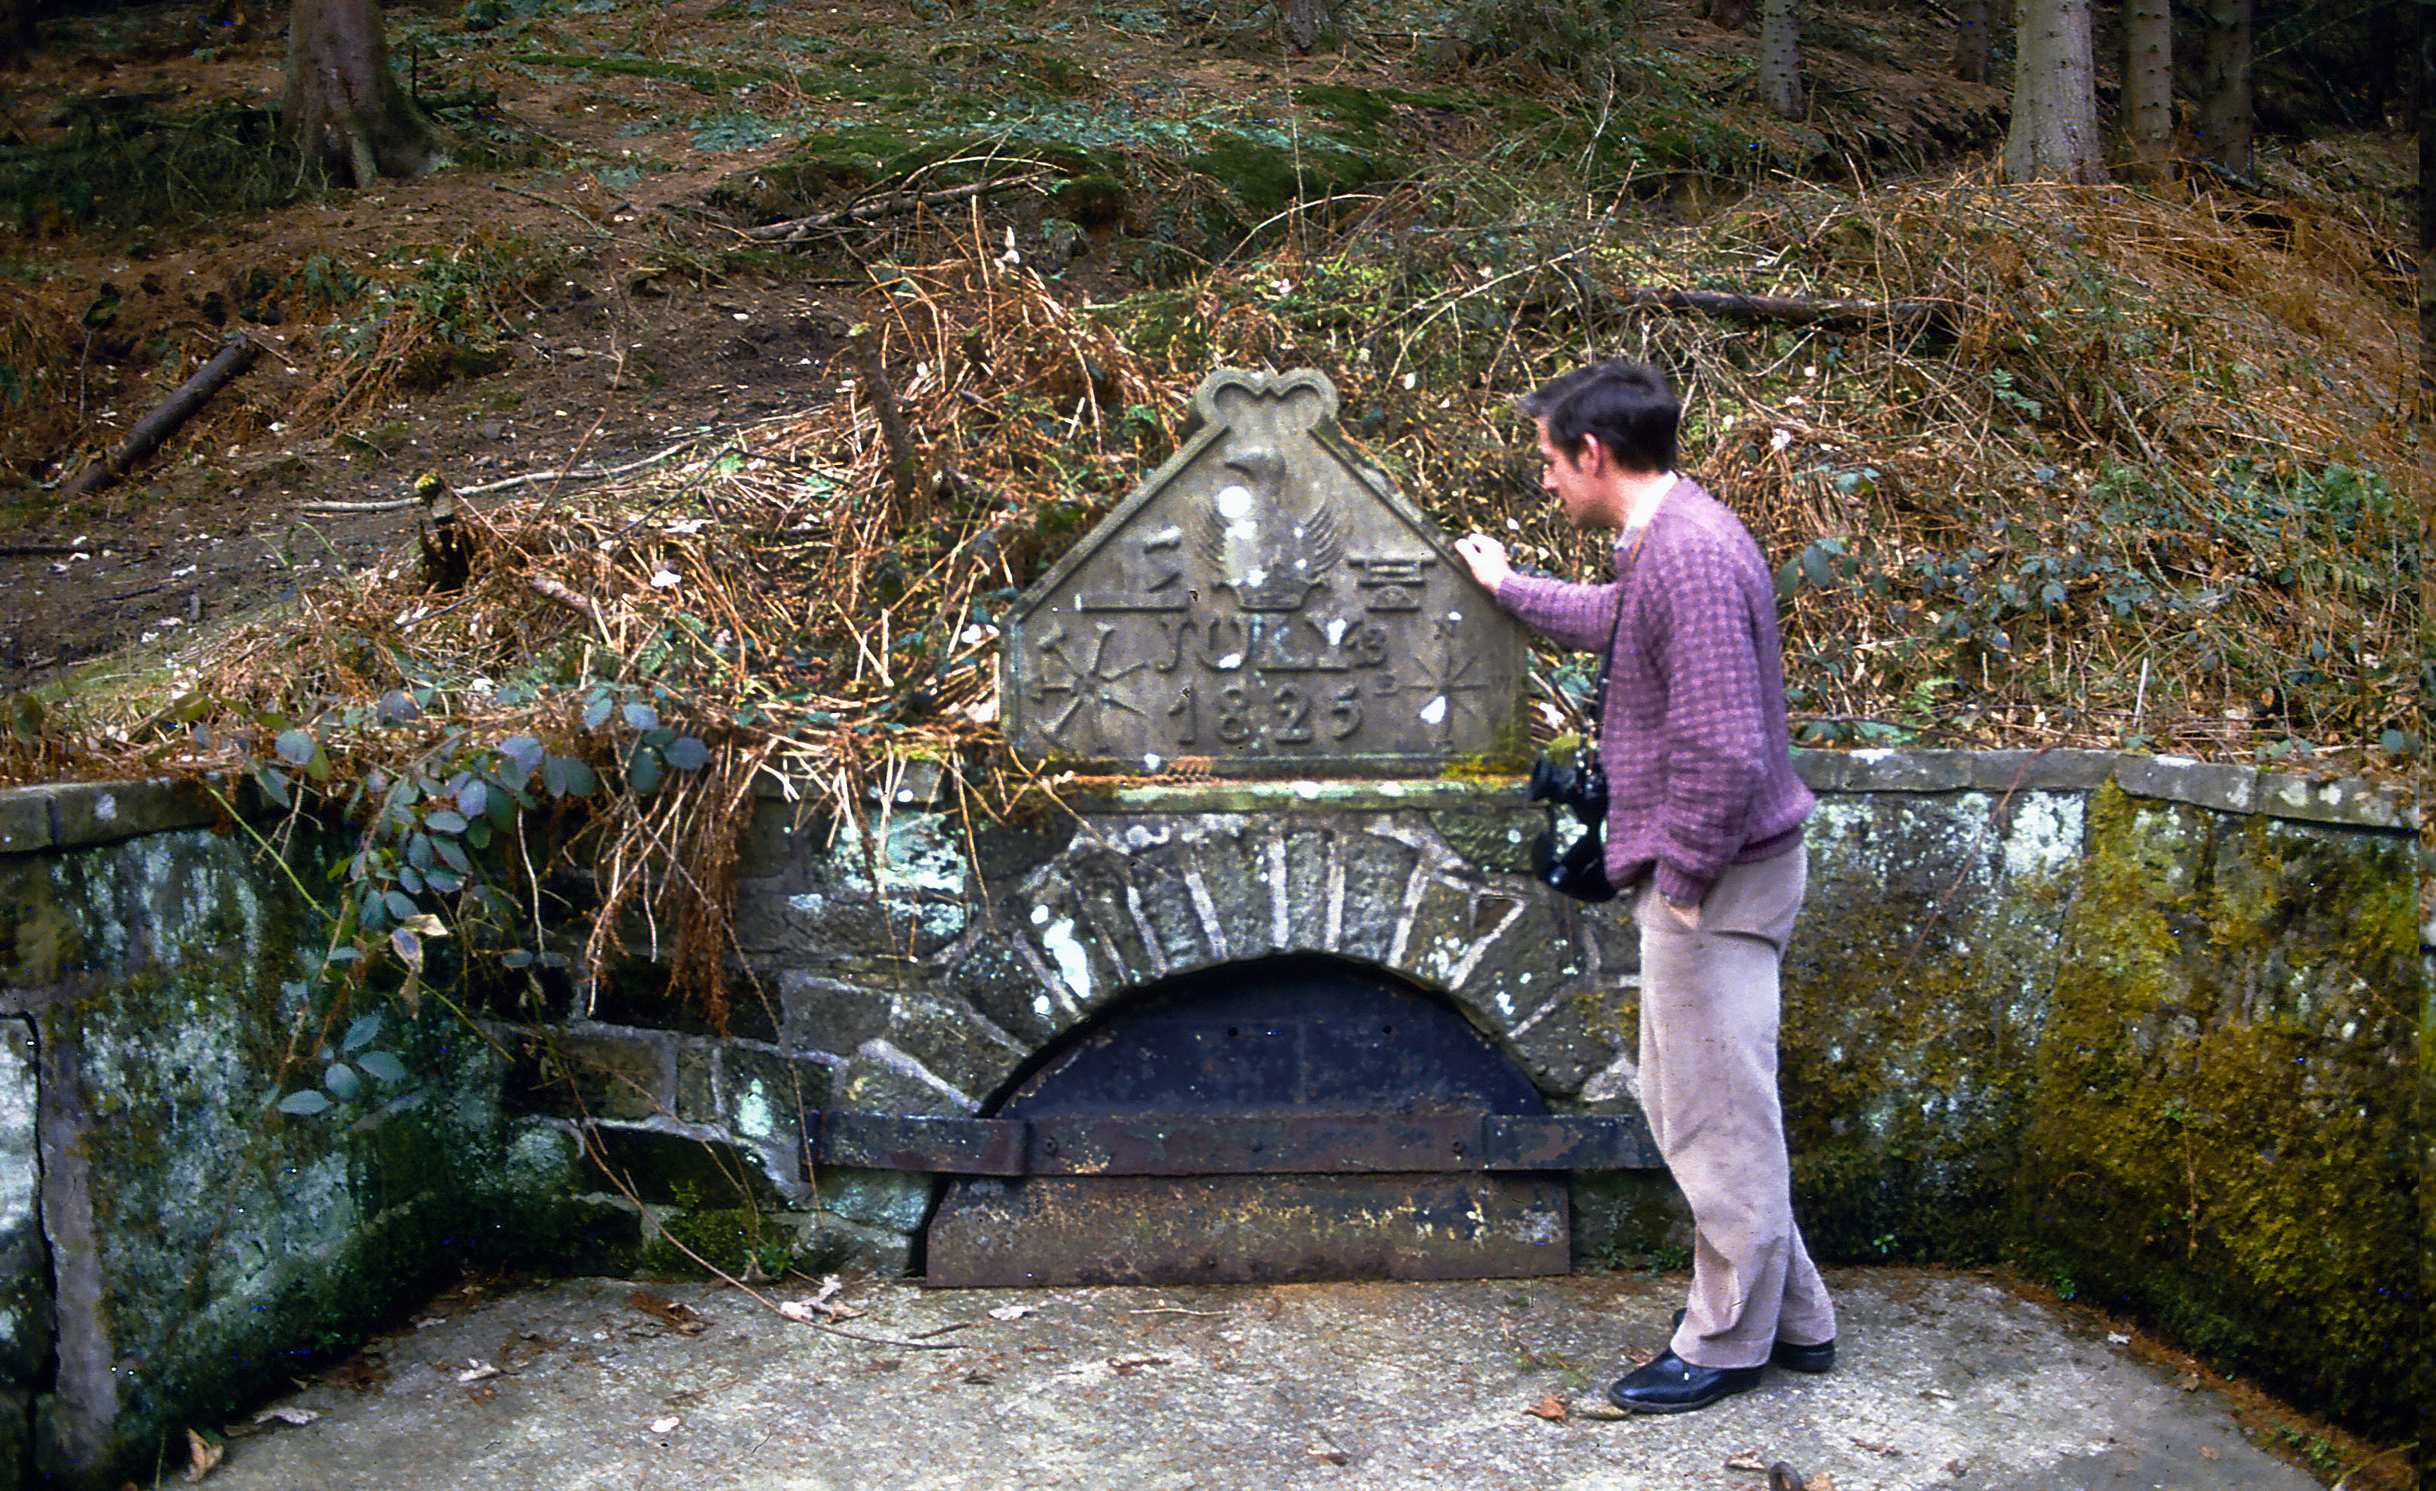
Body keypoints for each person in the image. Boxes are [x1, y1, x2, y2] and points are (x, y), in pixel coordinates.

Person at [1452, 360, 1836, 1415]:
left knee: (1713, 1126)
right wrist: (1509, 589)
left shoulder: (1696, 557)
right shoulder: (1672, 541)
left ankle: (1723, 1344)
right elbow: (1622, 620)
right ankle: (1798, 1321)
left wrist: (1685, 879)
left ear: (1595, 455)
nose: (1543, 483)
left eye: (1547, 462)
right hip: (1715, 876)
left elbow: (1722, 747)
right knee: (1714, 1106)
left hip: (1717, 883)